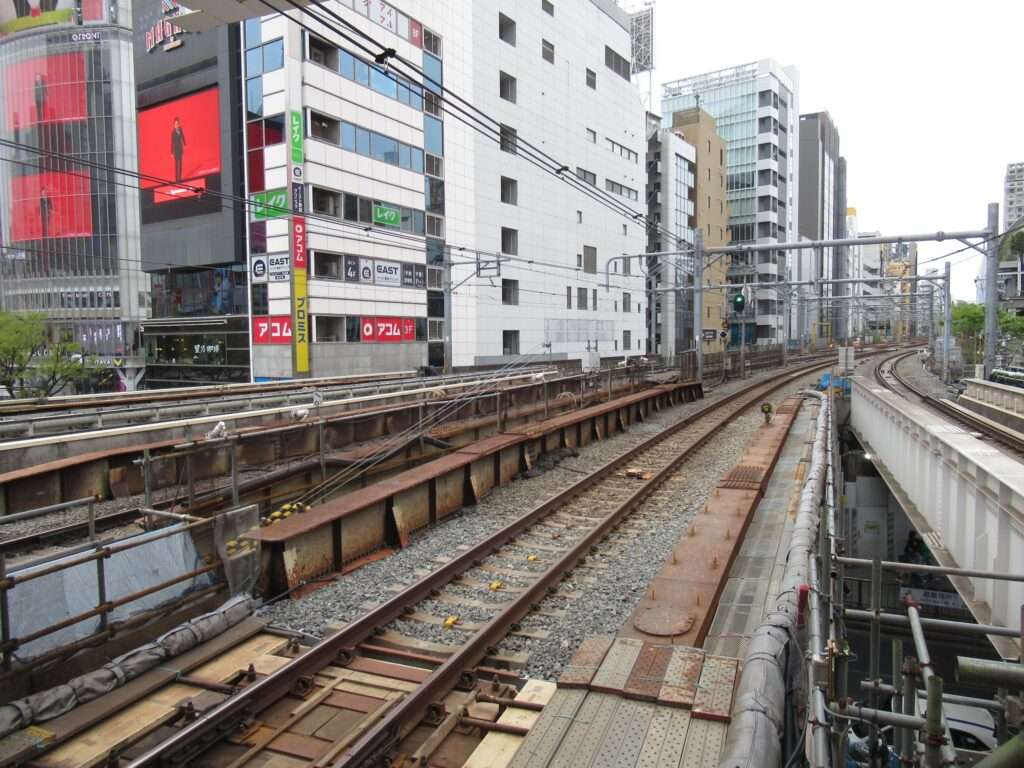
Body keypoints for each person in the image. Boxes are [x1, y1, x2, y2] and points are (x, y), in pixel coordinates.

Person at [170, 117, 186, 181]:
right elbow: (172, 143)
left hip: (180, 149)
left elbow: (182, 136)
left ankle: (180, 177)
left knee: (181, 163)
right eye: (175, 124)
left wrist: (185, 144)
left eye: (177, 123)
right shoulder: (173, 132)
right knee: (176, 164)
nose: (176, 125)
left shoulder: (181, 129)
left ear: (179, 124)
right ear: (174, 124)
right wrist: (171, 152)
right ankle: (176, 178)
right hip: (176, 150)